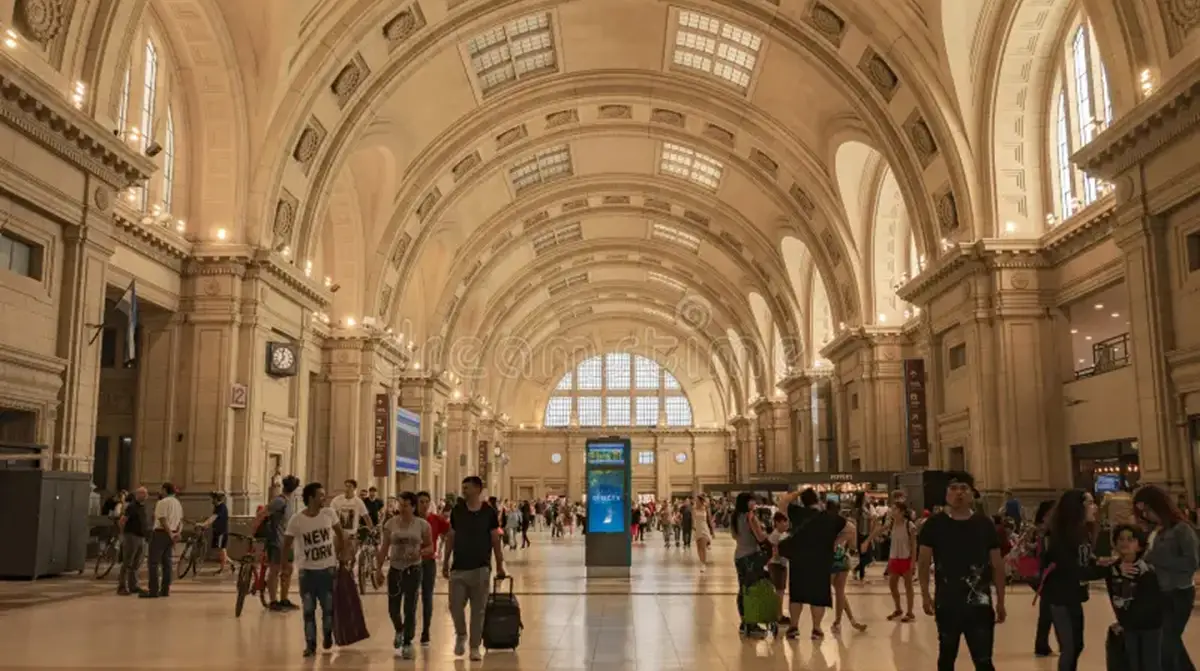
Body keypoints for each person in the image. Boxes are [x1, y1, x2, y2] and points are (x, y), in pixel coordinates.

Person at [917, 471, 1005, 671]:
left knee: (983, 660)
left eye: (964, 488)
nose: (959, 493)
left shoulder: (984, 524)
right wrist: (925, 595)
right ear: (946, 493)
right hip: (947, 602)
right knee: (946, 657)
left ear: (972, 494)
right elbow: (923, 562)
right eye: (953, 488)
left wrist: (1001, 601)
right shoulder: (934, 524)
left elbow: (997, 565)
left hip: (980, 603)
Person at [1134, 484, 1199, 671]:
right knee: (1169, 642)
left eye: (1147, 510)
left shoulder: (1182, 529)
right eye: (1142, 512)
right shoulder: (1156, 531)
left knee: (1167, 644)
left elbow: (1191, 563)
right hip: (1159, 592)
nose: (1146, 515)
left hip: (1178, 592)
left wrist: (1158, 559)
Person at [442, 476, 506, 661]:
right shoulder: (458, 511)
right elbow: (451, 536)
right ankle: (461, 634)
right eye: (463, 487)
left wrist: (499, 564)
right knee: (455, 606)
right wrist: (445, 561)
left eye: (467, 488)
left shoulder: (489, 512)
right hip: (459, 567)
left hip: (481, 568)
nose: (464, 491)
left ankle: (475, 646)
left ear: (478, 489)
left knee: (478, 611)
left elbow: (495, 539)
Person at [777, 488, 855, 640]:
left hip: (799, 559)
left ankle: (794, 627)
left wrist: (799, 491)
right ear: (818, 500)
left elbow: (782, 501)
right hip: (821, 559)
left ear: (802, 501)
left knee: (797, 595)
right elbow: (851, 530)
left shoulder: (796, 512)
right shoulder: (830, 517)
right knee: (818, 595)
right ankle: (817, 629)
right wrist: (836, 542)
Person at [282, 482, 346, 657]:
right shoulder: (296, 520)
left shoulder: (329, 514)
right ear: (311, 498)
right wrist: (285, 566)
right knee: (308, 610)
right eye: (321, 495)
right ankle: (310, 644)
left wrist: (338, 554)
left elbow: (340, 534)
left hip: (327, 570)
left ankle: (327, 635)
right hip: (307, 572)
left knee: (328, 609)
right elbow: (286, 544)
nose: (324, 498)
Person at [1040, 489, 1100, 671]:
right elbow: (1073, 569)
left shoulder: (1082, 532)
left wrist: (1102, 562)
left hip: (1074, 595)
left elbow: (1084, 560)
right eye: (1090, 503)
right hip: (1061, 596)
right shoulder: (1061, 536)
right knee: (1070, 648)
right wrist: (1109, 570)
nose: (1095, 507)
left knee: (1077, 645)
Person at [375, 491, 432, 659]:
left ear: (413, 507)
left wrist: (419, 552)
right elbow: (384, 547)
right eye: (400, 504)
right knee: (393, 608)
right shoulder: (390, 523)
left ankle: (407, 642)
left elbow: (430, 547)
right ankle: (399, 629)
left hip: (413, 569)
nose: (402, 508)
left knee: (410, 607)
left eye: (406, 505)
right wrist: (378, 569)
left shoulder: (422, 525)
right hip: (395, 569)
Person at [1104, 524, 1164, 671]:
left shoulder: (1147, 571)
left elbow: (1149, 604)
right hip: (1128, 627)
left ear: (1139, 546)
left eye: (1130, 539)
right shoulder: (1113, 570)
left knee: (1150, 665)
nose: (1125, 543)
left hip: (1149, 627)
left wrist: (1125, 622)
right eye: (1121, 539)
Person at [862, 500, 917, 621]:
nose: (892, 511)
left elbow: (914, 545)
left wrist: (913, 562)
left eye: (895, 509)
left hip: (906, 559)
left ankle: (910, 612)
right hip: (894, 559)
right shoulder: (891, 524)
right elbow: (878, 531)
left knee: (908, 586)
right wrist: (867, 541)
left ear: (902, 512)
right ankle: (898, 609)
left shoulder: (909, 525)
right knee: (892, 585)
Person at [730, 492, 769, 637]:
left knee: (743, 589)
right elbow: (760, 536)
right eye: (752, 501)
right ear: (746, 503)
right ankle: (752, 624)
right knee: (752, 589)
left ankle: (744, 621)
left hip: (739, 556)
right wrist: (767, 533)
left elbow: (734, 536)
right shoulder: (750, 517)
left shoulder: (734, 517)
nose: (754, 503)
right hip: (751, 556)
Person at [415, 491, 449, 647]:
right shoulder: (411, 520)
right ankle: (409, 629)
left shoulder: (435, 519)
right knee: (411, 597)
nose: (424, 505)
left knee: (427, 597)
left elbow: (450, 531)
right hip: (411, 563)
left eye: (426, 502)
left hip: (428, 562)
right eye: (421, 502)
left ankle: (426, 631)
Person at [827, 500, 866, 633]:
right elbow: (853, 547)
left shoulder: (826, 524)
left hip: (829, 559)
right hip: (843, 559)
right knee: (840, 592)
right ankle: (842, 622)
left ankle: (843, 621)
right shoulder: (850, 526)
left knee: (834, 591)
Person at [264, 475, 301, 611]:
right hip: (276, 540)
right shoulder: (279, 501)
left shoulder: (289, 501)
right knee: (275, 569)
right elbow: (264, 513)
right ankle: (273, 601)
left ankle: (284, 599)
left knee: (288, 569)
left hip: (287, 542)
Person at [142, 482, 182, 599]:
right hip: (172, 533)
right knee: (167, 563)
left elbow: (162, 519)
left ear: (164, 490)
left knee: (153, 562)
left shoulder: (162, 502)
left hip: (161, 533)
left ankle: (153, 590)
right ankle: (165, 590)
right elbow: (180, 521)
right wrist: (176, 533)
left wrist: (169, 533)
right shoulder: (177, 503)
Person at [1032, 499, 1058, 657]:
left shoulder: (1045, 531)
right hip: (1047, 574)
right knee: (1048, 611)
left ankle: (1042, 643)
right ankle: (1042, 644)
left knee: (1047, 611)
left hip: (1045, 573)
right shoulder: (1045, 532)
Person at [330, 479, 374, 561]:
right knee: (333, 557)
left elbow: (366, 517)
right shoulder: (337, 500)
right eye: (346, 486)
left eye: (349, 487)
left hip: (351, 535)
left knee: (347, 559)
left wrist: (372, 529)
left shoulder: (358, 502)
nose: (347, 489)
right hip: (337, 534)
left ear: (354, 488)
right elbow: (331, 516)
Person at [117, 487, 149, 595]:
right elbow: (122, 521)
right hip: (131, 536)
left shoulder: (143, 507)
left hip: (141, 537)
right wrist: (123, 535)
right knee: (127, 562)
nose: (145, 495)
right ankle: (122, 587)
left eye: (146, 493)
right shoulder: (132, 507)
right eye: (142, 493)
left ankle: (133, 586)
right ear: (137, 495)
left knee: (136, 563)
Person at [197, 491, 231, 575]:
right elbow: (213, 519)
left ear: (217, 499)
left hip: (221, 532)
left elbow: (213, 517)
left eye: (213, 498)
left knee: (222, 549)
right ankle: (231, 563)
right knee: (220, 550)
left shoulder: (221, 507)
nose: (212, 500)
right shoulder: (217, 507)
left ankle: (222, 569)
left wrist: (204, 524)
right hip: (217, 531)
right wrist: (206, 525)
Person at [693, 494, 713, 570]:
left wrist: (712, 531)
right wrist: (693, 527)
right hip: (697, 529)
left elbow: (709, 520)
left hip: (704, 528)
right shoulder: (694, 508)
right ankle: (701, 562)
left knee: (703, 547)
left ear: (701, 501)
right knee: (698, 547)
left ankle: (704, 564)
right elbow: (693, 519)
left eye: (697, 500)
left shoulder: (706, 508)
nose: (696, 501)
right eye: (696, 500)